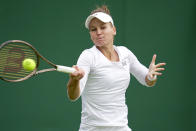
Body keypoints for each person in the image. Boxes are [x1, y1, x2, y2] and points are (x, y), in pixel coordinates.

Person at [67, 5, 166, 131]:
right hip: (93, 128)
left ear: (113, 30)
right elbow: (73, 96)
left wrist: (151, 76)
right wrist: (74, 80)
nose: (98, 32)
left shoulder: (125, 53)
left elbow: (147, 80)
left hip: (121, 127)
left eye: (103, 27)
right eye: (93, 29)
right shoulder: (88, 56)